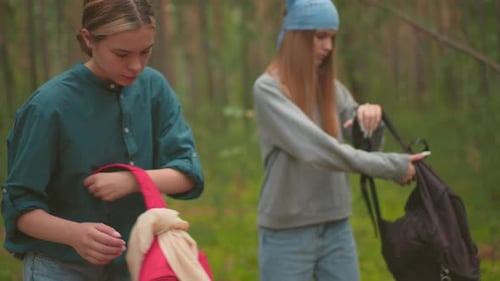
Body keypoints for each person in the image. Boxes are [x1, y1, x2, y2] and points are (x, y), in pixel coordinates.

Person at [1, 0, 204, 280]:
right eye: (121, 54)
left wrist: (133, 180)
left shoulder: (154, 88)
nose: (135, 65)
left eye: (146, 51)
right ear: (88, 39)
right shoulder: (48, 106)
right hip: (60, 266)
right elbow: (20, 207)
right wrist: (75, 234)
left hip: (135, 262)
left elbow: (189, 175)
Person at [252, 1, 428, 280]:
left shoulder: (331, 88)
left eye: (332, 38)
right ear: (296, 35)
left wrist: (370, 120)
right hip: (287, 231)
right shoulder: (268, 89)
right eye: (320, 36)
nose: (328, 47)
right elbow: (320, 151)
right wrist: (392, 167)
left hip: (336, 228)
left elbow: (367, 149)